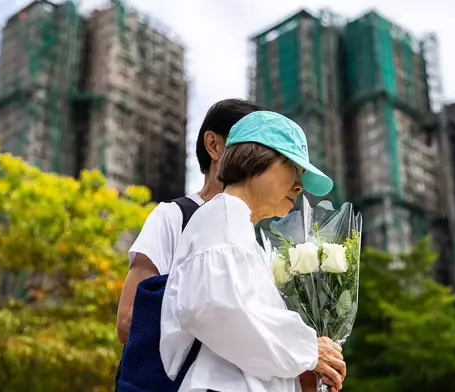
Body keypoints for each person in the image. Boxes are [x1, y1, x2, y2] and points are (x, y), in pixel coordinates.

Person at [160, 111, 346, 391]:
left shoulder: (240, 230)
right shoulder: (222, 217)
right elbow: (217, 309)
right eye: (292, 168)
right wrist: (308, 350)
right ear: (254, 158)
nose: (299, 186)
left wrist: (307, 367)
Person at [116, 98, 263, 344]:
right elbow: (129, 320)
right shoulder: (173, 216)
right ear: (214, 146)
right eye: (254, 146)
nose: (263, 161)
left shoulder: (255, 242)